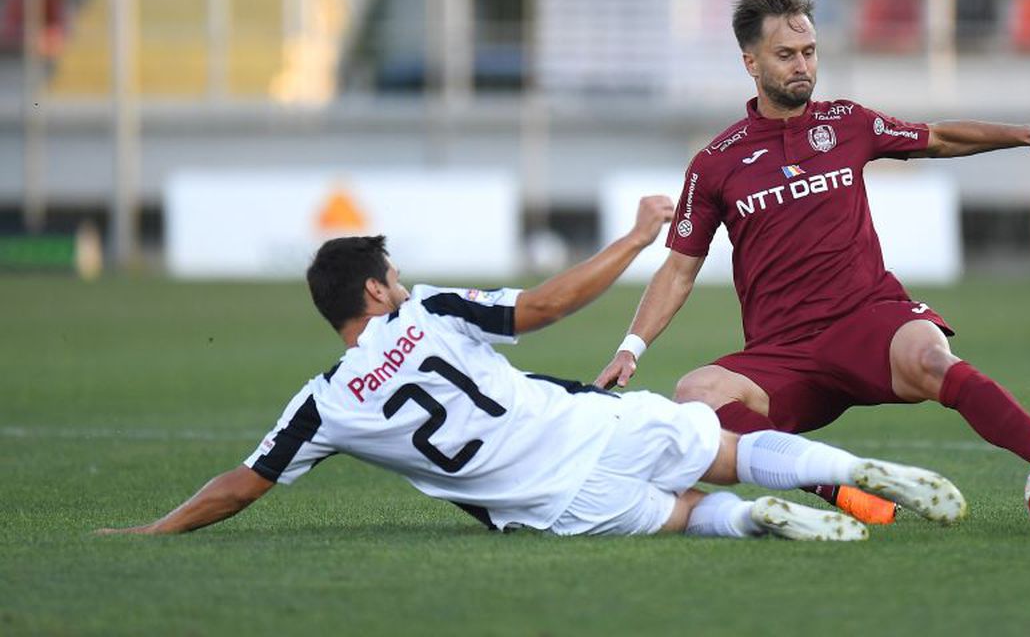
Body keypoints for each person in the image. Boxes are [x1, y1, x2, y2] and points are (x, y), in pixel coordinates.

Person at [98, 197, 966, 541]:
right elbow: (542, 309)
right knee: (728, 449)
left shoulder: (322, 405)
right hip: (587, 420)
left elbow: (241, 485)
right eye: (391, 273)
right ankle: (847, 472)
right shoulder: (426, 309)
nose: (401, 281)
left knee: (689, 514)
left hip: (551, 505)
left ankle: (754, 524)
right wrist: (632, 240)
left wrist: (150, 532)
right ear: (375, 288)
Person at [594, 0, 1030, 525]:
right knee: (696, 394)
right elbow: (678, 270)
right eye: (786, 54)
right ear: (751, 63)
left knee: (931, 358)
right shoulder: (716, 163)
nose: (803, 66)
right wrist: (632, 347)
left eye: (810, 52)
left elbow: (936, 138)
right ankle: (846, 488)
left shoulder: (847, 123)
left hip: (868, 323)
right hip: (785, 354)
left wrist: (1025, 133)